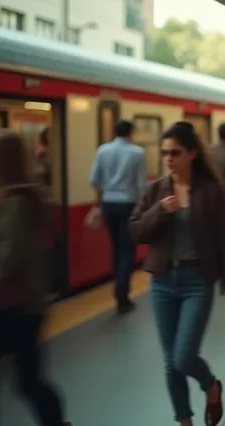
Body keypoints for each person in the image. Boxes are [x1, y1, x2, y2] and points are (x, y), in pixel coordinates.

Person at [128, 122, 225, 426]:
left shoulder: (211, 192)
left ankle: (211, 386)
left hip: (197, 281)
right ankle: (184, 420)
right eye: (164, 153)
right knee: (170, 363)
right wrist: (160, 211)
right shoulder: (155, 190)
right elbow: (136, 231)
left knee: (183, 356)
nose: (168, 159)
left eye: (175, 153)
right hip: (163, 282)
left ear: (191, 153)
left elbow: (223, 240)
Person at [0, 130, 71, 426]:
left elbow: (6, 261)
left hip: (18, 310)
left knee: (28, 383)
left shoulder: (19, 202)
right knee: (27, 382)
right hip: (4, 309)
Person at [89, 120, 147, 314]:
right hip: (128, 205)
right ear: (131, 133)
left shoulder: (102, 151)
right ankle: (122, 294)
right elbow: (140, 186)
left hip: (108, 204)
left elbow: (94, 180)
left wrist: (101, 199)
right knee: (128, 249)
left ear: (114, 132)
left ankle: (117, 283)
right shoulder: (137, 153)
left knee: (116, 246)